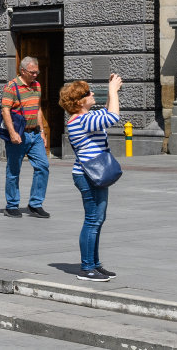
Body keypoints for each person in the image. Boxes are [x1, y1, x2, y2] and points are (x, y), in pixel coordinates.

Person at [61, 73, 122, 282]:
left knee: (97, 219)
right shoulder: (83, 120)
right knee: (92, 220)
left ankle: (94, 264)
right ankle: (87, 267)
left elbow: (105, 114)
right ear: (79, 101)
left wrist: (111, 90)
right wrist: (112, 90)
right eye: (88, 93)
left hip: (89, 174)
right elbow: (112, 117)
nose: (92, 94)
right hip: (88, 175)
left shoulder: (82, 118)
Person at [1, 55, 50, 217]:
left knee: (43, 166)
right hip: (18, 135)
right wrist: (12, 133)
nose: (35, 75)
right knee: (14, 170)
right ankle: (12, 205)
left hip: (34, 134)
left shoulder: (37, 86)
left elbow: (38, 109)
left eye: (37, 72)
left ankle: (35, 204)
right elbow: (5, 110)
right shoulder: (12, 87)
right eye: (32, 72)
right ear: (23, 71)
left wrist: (42, 132)